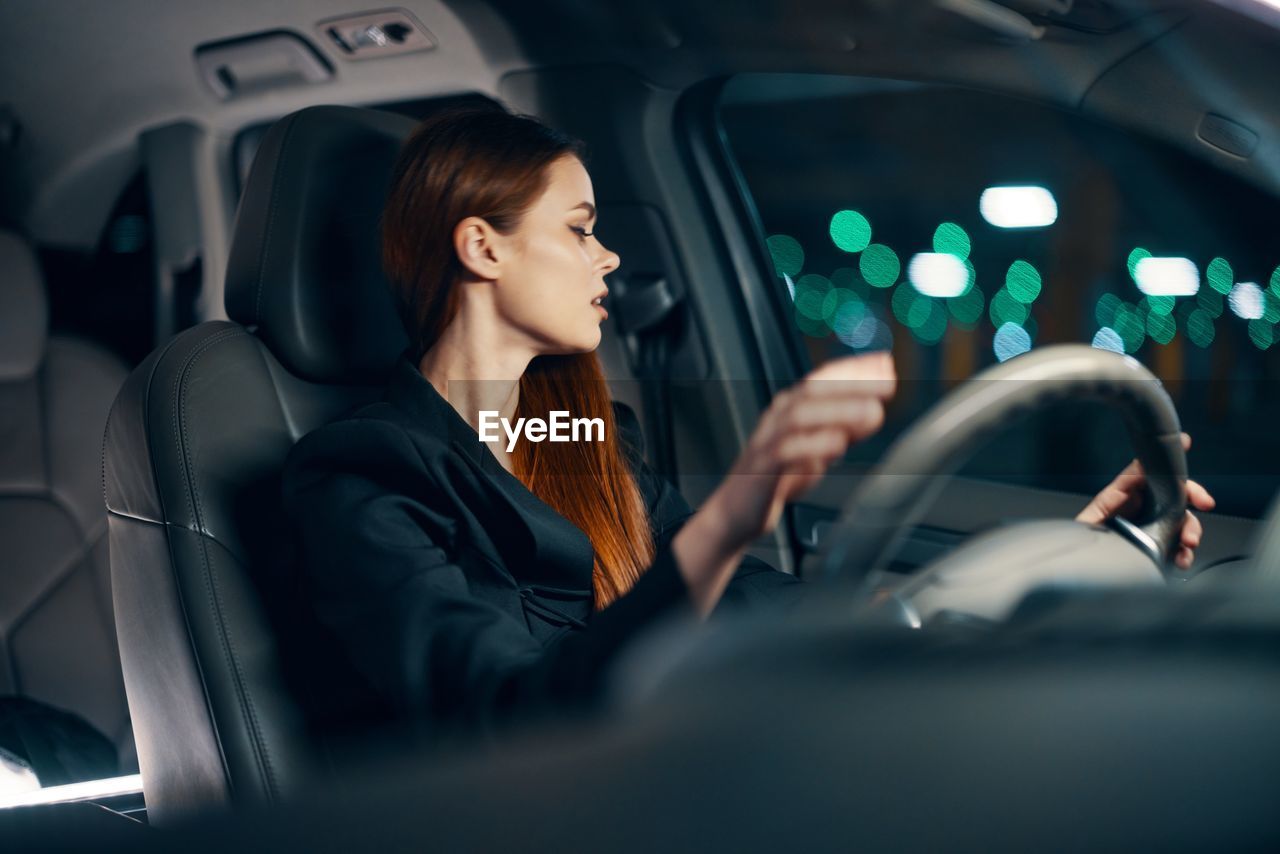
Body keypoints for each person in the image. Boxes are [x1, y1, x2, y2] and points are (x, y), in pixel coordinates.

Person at [280, 106, 1215, 744]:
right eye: (578, 229)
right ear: (482, 244)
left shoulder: (584, 445)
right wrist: (730, 517)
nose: (607, 258)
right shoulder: (362, 473)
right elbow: (504, 712)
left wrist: (1046, 568)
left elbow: (755, 604)